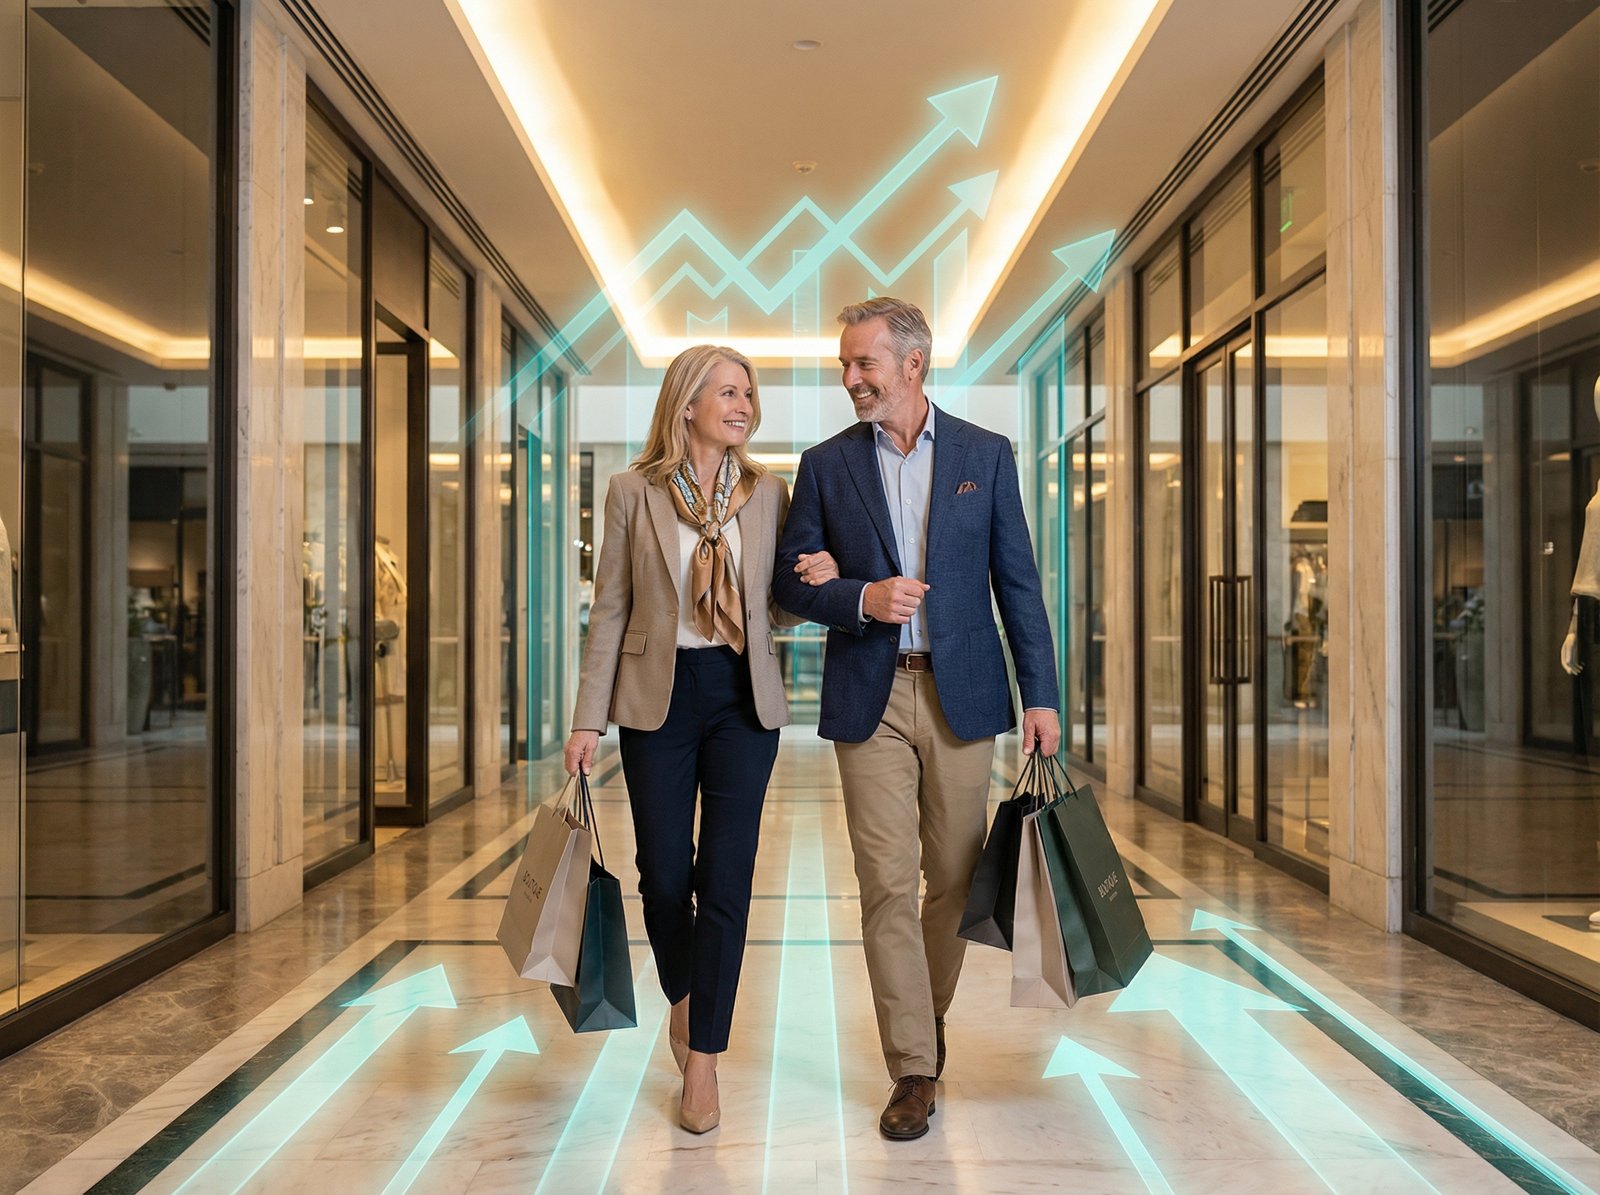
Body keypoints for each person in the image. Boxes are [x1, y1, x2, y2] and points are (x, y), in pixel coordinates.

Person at [774, 297, 1060, 1141]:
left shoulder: (986, 454)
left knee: (956, 878)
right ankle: (912, 1065)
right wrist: (858, 595)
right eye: (845, 365)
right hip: (872, 694)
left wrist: (1039, 693)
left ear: (913, 365)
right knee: (885, 882)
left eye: (864, 363)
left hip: (963, 693)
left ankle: (921, 1024)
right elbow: (790, 585)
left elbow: (1019, 586)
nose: (851, 378)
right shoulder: (826, 465)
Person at [564, 345, 835, 1133]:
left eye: (748, 392)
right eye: (727, 391)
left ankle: (705, 1058)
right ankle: (683, 997)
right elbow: (609, 609)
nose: (744, 404)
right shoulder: (630, 493)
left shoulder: (766, 494)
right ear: (686, 404)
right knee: (660, 873)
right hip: (658, 697)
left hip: (740, 696)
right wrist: (588, 718)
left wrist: (812, 581)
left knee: (726, 875)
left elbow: (772, 609)